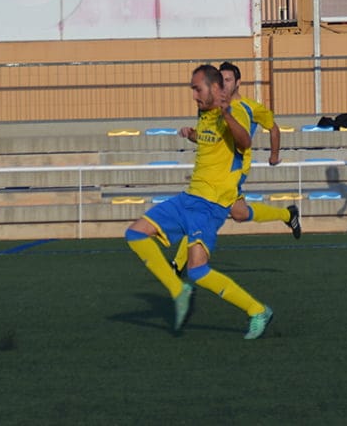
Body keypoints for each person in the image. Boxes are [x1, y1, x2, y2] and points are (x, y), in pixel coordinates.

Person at [124, 65, 274, 340]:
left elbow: (244, 142)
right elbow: (208, 141)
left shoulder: (234, 110)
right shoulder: (204, 113)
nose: (193, 95)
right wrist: (191, 134)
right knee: (135, 233)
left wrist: (227, 113)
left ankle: (257, 310)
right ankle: (177, 289)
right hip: (188, 197)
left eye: (197, 88)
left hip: (211, 205)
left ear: (214, 88)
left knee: (197, 270)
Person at [171, 61, 301, 274]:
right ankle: (288, 215)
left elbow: (273, 128)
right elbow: (208, 138)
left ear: (238, 83)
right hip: (217, 169)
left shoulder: (251, 107)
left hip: (235, 170)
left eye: (228, 80)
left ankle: (178, 263)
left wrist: (274, 155)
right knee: (239, 214)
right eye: (220, 80)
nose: (223, 84)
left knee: (202, 207)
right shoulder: (211, 107)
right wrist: (191, 134)